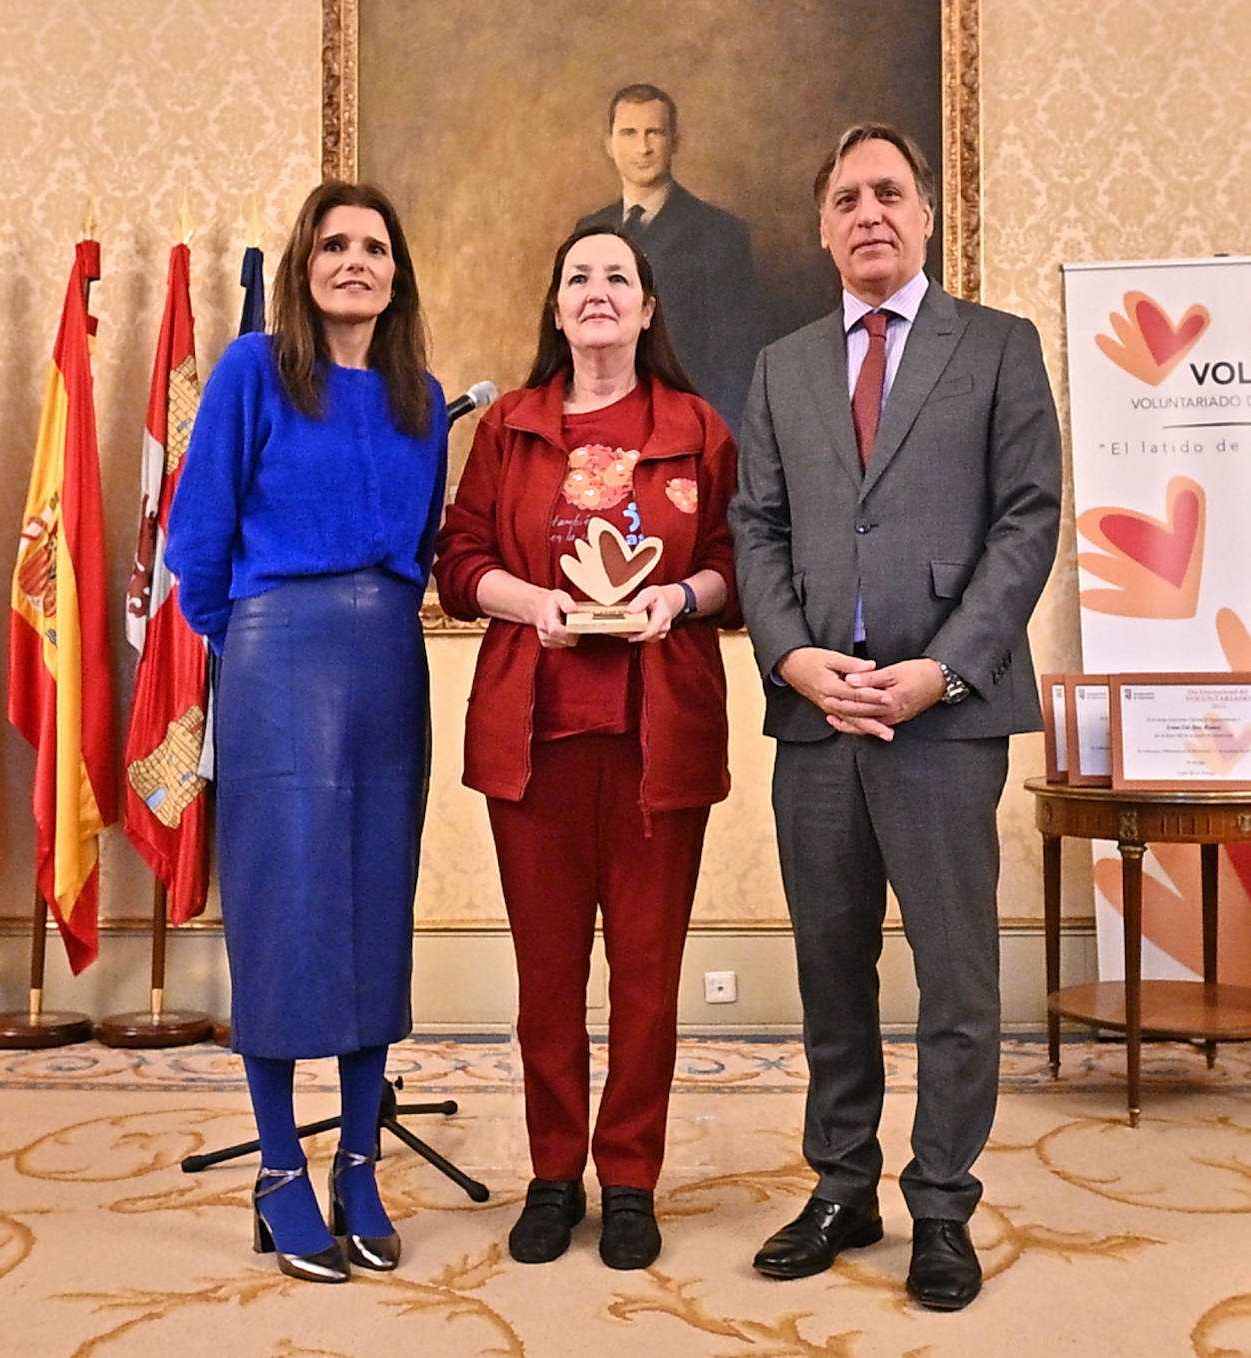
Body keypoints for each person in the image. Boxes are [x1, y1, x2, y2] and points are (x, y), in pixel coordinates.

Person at [729, 123, 1060, 1310]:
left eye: (888, 193)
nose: (868, 212)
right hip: (817, 716)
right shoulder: (780, 367)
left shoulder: (999, 348)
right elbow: (754, 529)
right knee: (829, 969)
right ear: (822, 227)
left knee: (957, 977)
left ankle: (940, 1204)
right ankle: (839, 1185)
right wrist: (792, 656)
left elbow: (1028, 522)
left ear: (924, 214)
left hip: (939, 716)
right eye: (845, 198)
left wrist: (942, 671)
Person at [433, 227, 740, 1271]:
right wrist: (533, 605)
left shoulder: (696, 427)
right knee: (547, 976)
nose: (598, 291)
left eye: (618, 276)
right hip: (536, 738)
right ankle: (554, 1174)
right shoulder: (509, 428)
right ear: (556, 311)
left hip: (659, 741)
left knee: (647, 979)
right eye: (579, 278)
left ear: (647, 308)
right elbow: (458, 558)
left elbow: (741, 568)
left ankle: (631, 1180)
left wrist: (677, 597)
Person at [165, 181, 447, 1283]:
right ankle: (280, 1165)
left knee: (376, 904)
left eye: (374, 246)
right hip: (276, 657)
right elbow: (198, 547)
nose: (354, 261)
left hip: (387, 662)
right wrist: (256, 654)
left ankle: (361, 1162)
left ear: (395, 272)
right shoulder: (251, 372)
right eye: (334, 244)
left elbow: (420, 547)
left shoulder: (420, 394)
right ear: (304, 263)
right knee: (286, 912)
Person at [576, 83, 759, 433]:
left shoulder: (720, 234)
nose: (642, 148)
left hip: (684, 429)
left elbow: (734, 364)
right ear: (609, 145)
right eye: (629, 133)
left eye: (654, 133)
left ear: (675, 141)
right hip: (601, 428)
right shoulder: (588, 231)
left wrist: (712, 444)